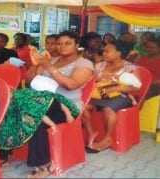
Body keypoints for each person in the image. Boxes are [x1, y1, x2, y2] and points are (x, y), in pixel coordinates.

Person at [21, 30, 94, 178]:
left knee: (35, 115)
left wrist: (49, 68)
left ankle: (44, 165)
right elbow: (30, 81)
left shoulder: (84, 63)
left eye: (68, 43)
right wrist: (35, 66)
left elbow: (71, 85)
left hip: (68, 106)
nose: (62, 46)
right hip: (44, 102)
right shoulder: (51, 60)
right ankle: (8, 153)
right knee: (18, 108)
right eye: (59, 43)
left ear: (77, 45)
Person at [82, 40, 141, 154]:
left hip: (123, 95)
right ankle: (91, 132)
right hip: (101, 95)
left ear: (118, 53)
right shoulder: (100, 65)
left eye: (107, 51)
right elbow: (91, 82)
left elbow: (135, 88)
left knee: (108, 108)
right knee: (84, 107)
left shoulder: (130, 68)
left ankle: (107, 138)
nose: (103, 53)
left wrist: (114, 88)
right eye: (103, 51)